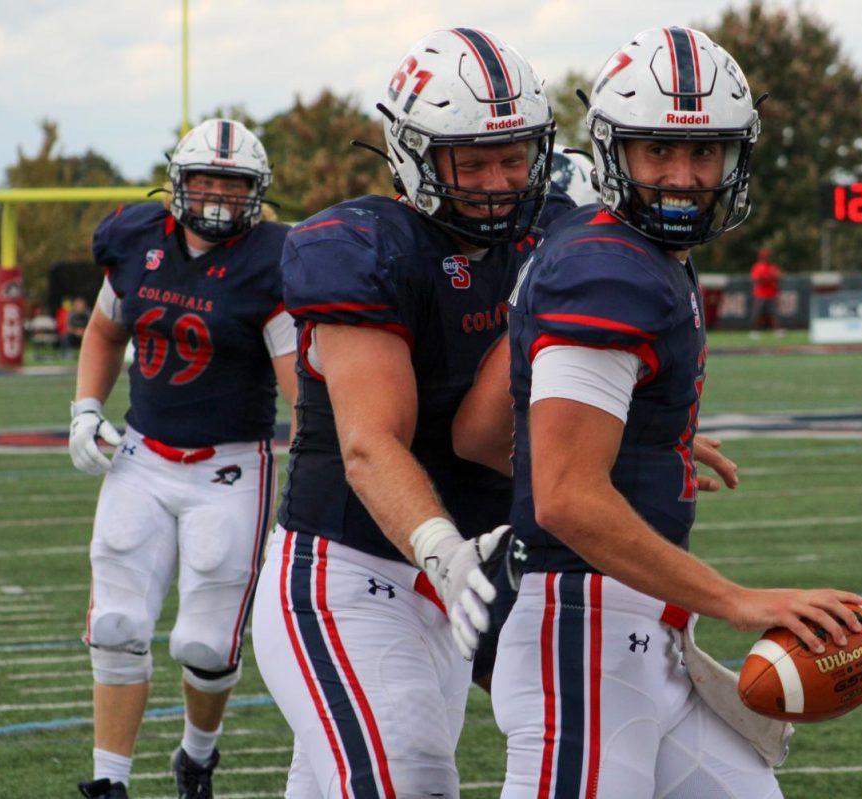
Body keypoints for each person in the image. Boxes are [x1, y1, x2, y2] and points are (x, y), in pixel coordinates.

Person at [489, 27, 862, 798]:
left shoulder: (628, 252)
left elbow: (483, 432)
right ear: (612, 151)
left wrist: (641, 437)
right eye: (657, 150)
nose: (684, 176)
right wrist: (739, 598)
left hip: (639, 635)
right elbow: (563, 493)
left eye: (705, 153)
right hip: (584, 637)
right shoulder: (605, 269)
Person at [249, 28, 570, 798]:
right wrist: (450, 560)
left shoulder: (555, 233)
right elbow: (368, 445)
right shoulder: (367, 244)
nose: (498, 180)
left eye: (513, 154)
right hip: (349, 575)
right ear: (415, 153)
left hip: (466, 577)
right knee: (409, 778)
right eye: (473, 160)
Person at [70, 117, 296, 799]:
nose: (218, 197)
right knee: (115, 622)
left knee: (204, 644)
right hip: (142, 454)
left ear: (256, 192)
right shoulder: (139, 242)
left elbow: (299, 389)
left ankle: (197, 754)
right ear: (179, 183)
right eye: (205, 180)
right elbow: (106, 330)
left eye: (233, 184)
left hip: (230, 466)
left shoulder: (273, 261)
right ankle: (109, 780)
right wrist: (86, 406)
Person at [749, 246, 782, 336]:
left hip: (771, 293)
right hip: (760, 294)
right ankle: (754, 332)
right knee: (757, 314)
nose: (767, 257)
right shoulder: (757, 267)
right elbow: (757, 280)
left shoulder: (772, 266)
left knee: (774, 313)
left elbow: (779, 276)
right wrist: (769, 279)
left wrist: (769, 279)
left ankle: (777, 331)